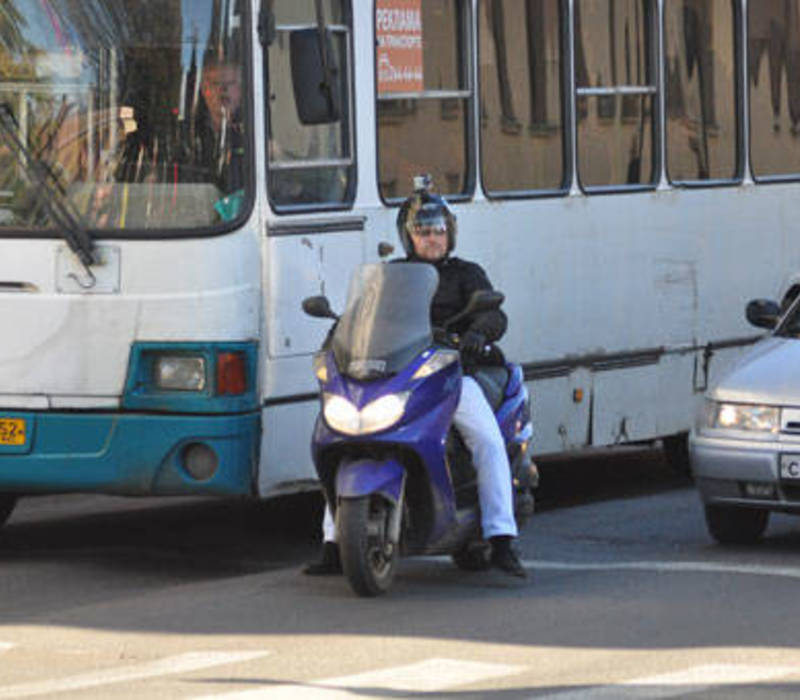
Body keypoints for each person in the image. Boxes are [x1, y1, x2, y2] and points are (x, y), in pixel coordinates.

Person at [304, 175, 526, 579]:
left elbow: (495, 313)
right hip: (399, 374)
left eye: (439, 230)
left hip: (452, 374)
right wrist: (336, 339)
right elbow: (361, 317)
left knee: (486, 439)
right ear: (408, 237)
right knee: (347, 442)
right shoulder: (388, 277)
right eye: (423, 231)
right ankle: (334, 543)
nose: (432, 239)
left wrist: (478, 333)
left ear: (450, 234)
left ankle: (501, 538)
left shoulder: (466, 274)